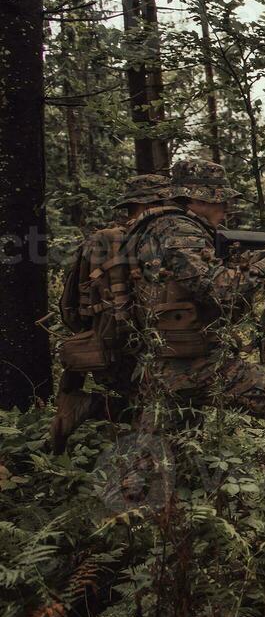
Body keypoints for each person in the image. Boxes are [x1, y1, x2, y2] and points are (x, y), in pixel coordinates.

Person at [124, 158, 265, 454]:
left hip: (166, 362)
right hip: (196, 365)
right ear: (198, 198)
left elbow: (219, 268)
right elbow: (214, 287)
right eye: (221, 201)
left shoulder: (165, 226)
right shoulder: (178, 230)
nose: (225, 209)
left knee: (166, 462)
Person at [50, 174, 177, 450]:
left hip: (108, 348)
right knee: (166, 411)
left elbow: (69, 305)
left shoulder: (100, 240)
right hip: (153, 350)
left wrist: (91, 331)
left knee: (147, 408)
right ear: (159, 203)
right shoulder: (164, 242)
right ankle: (93, 410)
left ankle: (89, 408)